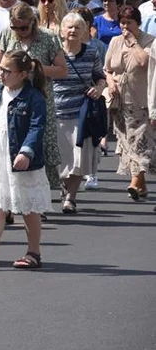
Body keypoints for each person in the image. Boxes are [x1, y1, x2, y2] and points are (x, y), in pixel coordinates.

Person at [0, 51, 52, 270]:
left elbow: (37, 127)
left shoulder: (34, 97)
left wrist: (26, 151)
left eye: (7, 70)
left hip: (21, 158)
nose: (1, 74)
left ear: (23, 74)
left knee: (28, 206)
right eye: (0, 69)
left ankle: (34, 252)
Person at [0, 3, 67, 193]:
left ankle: (38, 197)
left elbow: (62, 70)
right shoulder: (7, 34)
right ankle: (8, 196)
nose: (19, 32)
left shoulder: (48, 38)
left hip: (38, 99)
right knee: (10, 142)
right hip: (10, 98)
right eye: (15, 27)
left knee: (37, 143)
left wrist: (34, 68)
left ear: (33, 22)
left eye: (23, 27)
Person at [53, 13, 107, 214]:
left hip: (81, 113)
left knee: (77, 159)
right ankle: (63, 186)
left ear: (84, 30)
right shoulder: (55, 53)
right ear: (62, 31)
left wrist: (99, 89)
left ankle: (70, 198)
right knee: (59, 157)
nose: (73, 30)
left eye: (78, 27)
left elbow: (100, 76)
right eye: (69, 27)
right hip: (56, 111)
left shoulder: (91, 53)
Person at [106, 6, 155, 201]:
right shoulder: (115, 41)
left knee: (140, 144)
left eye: (129, 23)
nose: (125, 27)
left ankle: (135, 183)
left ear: (138, 24)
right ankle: (140, 187)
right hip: (120, 102)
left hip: (141, 101)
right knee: (127, 144)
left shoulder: (149, 41)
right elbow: (107, 68)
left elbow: (145, 63)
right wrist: (110, 83)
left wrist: (134, 43)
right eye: (122, 23)